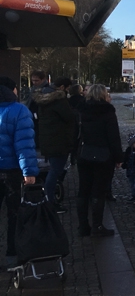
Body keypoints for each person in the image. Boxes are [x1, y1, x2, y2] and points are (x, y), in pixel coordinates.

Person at [0, 77, 38, 268]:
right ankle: (12, 254)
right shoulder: (19, 111)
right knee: (14, 213)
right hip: (11, 171)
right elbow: (24, 145)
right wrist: (29, 171)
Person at [76, 84, 123, 237]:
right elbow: (114, 137)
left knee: (83, 191)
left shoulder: (81, 110)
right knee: (99, 192)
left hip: (84, 154)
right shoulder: (108, 112)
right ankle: (97, 226)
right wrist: (118, 157)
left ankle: (83, 226)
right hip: (103, 156)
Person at [34, 76, 76, 213]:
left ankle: (49, 197)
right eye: (68, 88)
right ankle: (50, 201)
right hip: (59, 140)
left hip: (47, 139)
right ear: (63, 87)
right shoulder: (60, 100)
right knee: (55, 171)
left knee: (53, 169)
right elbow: (69, 118)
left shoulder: (43, 99)